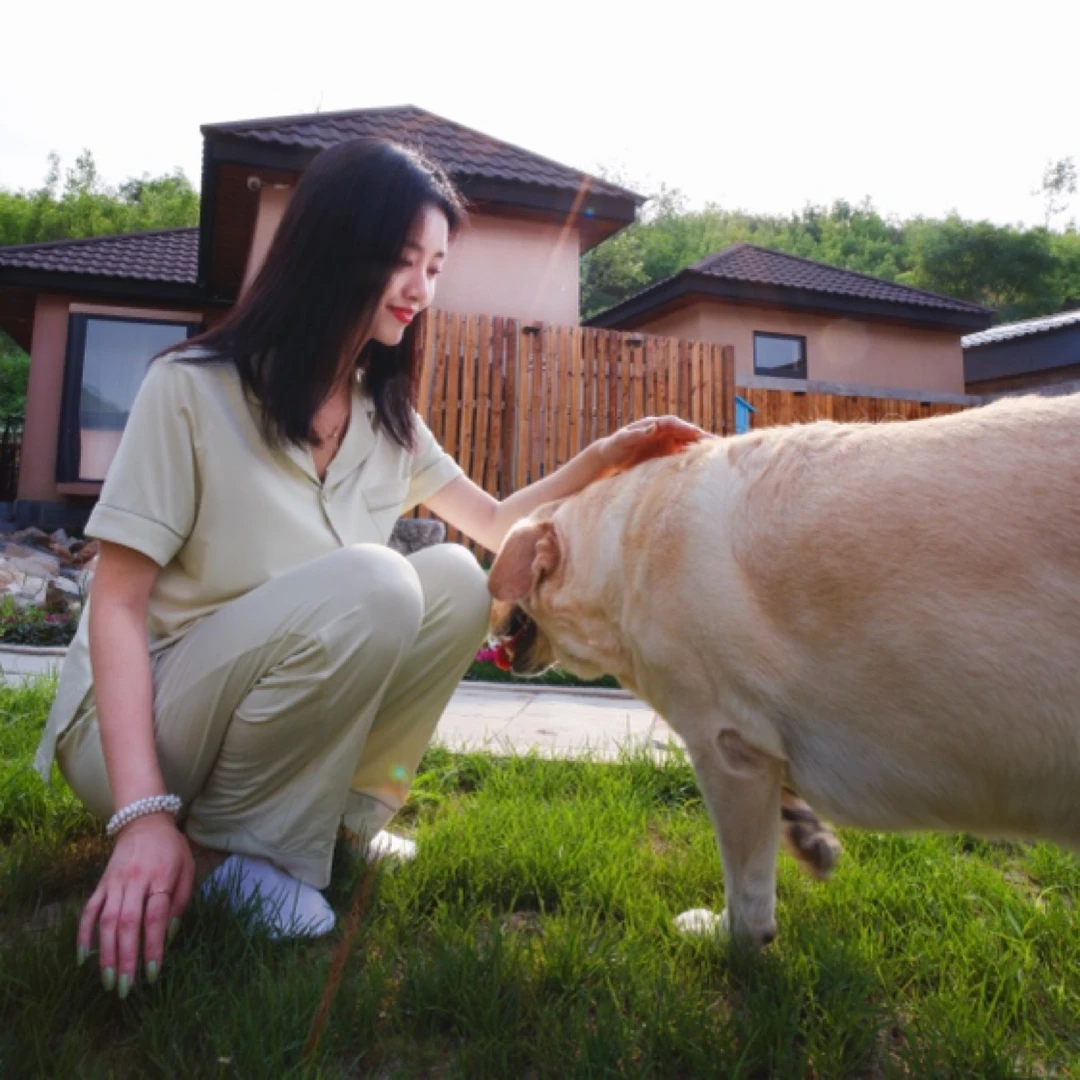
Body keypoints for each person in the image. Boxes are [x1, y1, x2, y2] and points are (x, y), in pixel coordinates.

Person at [33, 137, 708, 999]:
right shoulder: (192, 390)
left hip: (251, 709)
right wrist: (140, 816)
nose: (421, 290)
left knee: (456, 583)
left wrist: (612, 454)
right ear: (331, 250)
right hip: (144, 723)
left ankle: (339, 823)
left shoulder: (380, 415)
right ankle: (231, 855)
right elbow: (117, 608)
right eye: (401, 261)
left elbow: (495, 524)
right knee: (381, 579)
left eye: (434, 267)